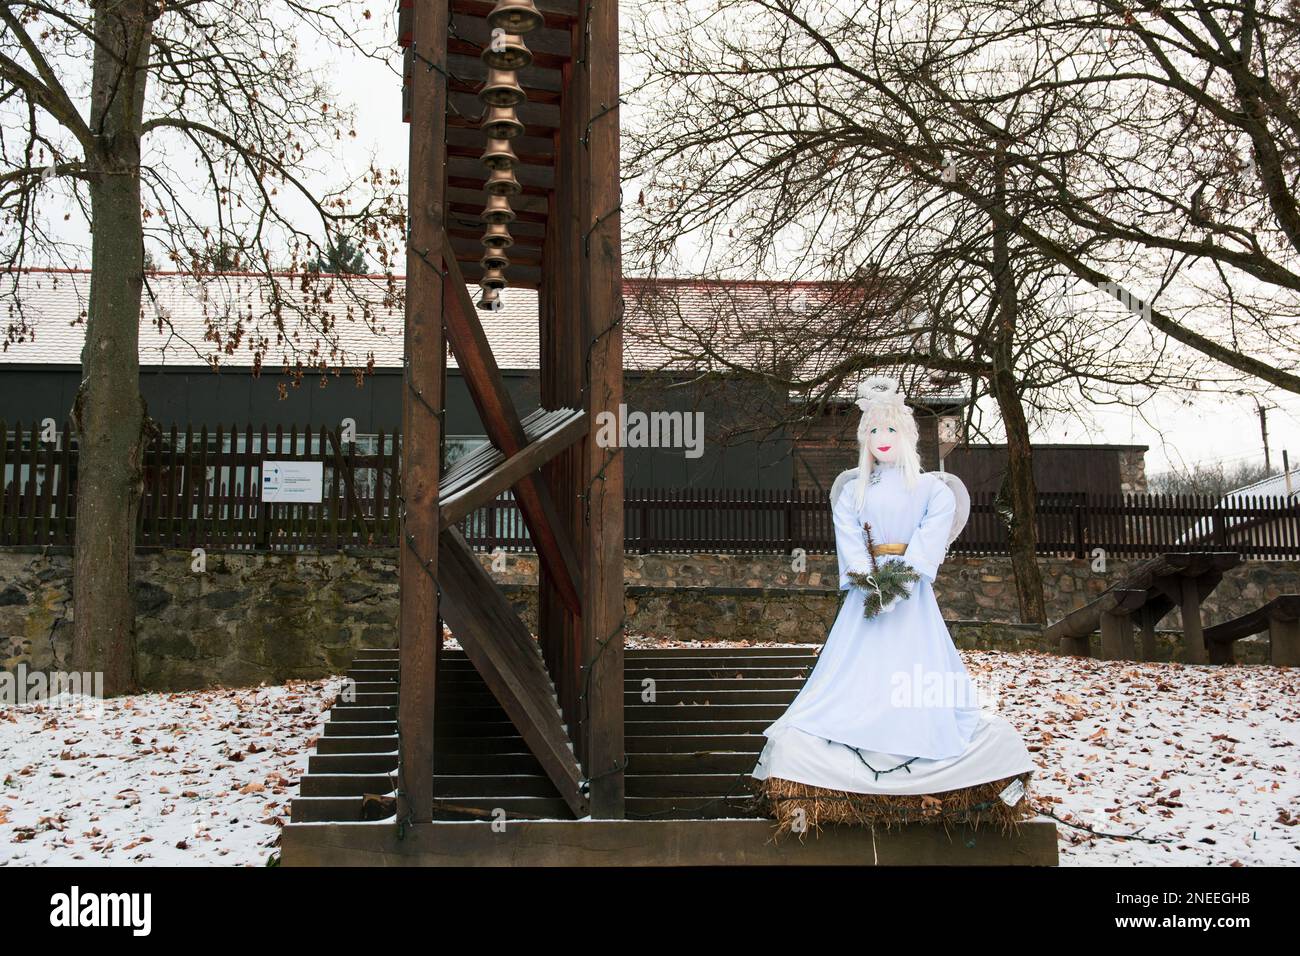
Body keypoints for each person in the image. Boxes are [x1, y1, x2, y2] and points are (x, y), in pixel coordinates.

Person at [750, 375, 1035, 830]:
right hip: (866, 599)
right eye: (873, 432)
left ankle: (918, 737)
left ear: (907, 436)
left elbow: (928, 540)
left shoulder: (933, 490)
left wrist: (900, 583)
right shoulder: (852, 492)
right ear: (864, 439)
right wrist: (868, 584)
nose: (882, 440)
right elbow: (850, 542)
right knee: (852, 672)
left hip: (914, 599)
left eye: (890, 431)